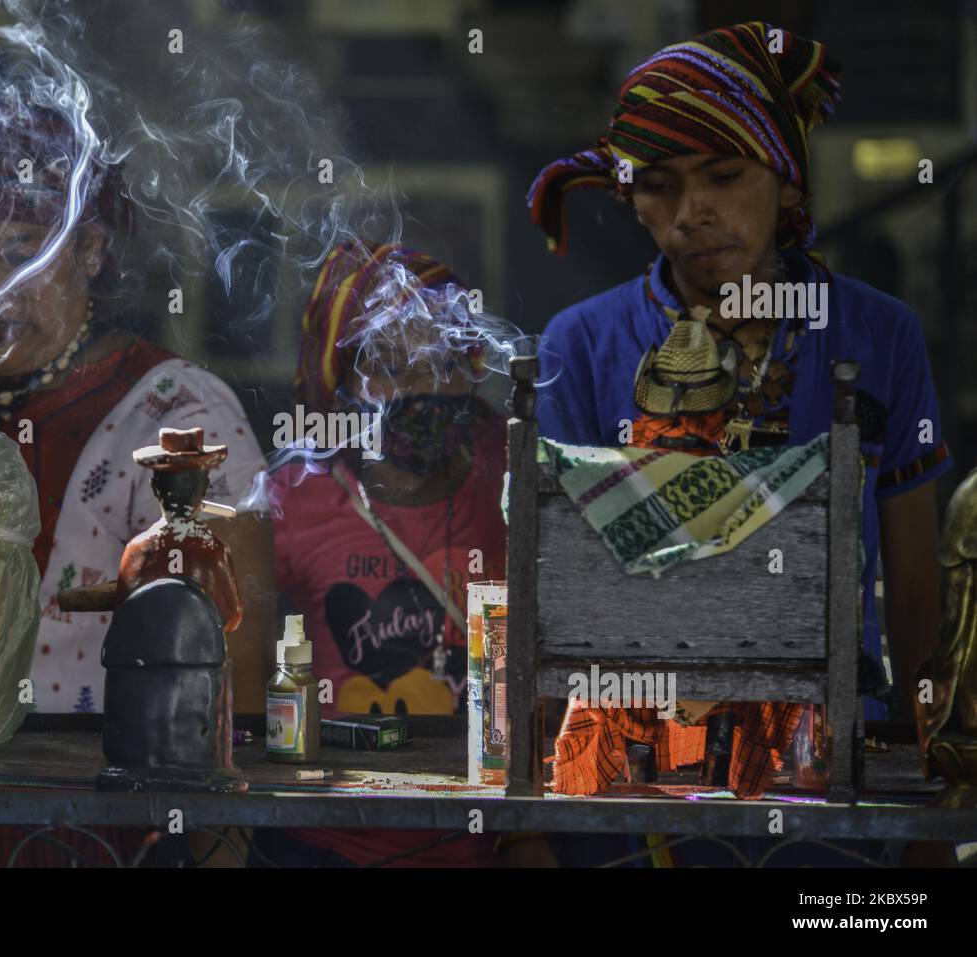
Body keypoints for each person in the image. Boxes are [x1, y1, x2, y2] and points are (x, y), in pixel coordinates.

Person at [526, 21, 951, 833]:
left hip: (825, 772)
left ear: (788, 183)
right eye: (658, 184)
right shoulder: (579, 344)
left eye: (724, 175)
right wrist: (529, 823)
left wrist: (928, 791)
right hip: (632, 785)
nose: (693, 212)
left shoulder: (877, 334)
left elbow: (915, 593)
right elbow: (551, 599)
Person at [0, 83, 275, 868]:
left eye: (23, 254)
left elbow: (231, 704)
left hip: (66, 832)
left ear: (90, 250)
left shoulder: (175, 415)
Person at [254, 241, 550, 867]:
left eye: (441, 361)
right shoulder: (298, 490)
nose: (420, 386)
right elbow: (239, 666)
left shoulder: (513, 467)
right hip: (328, 846)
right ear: (340, 383)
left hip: (488, 842)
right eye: (387, 365)